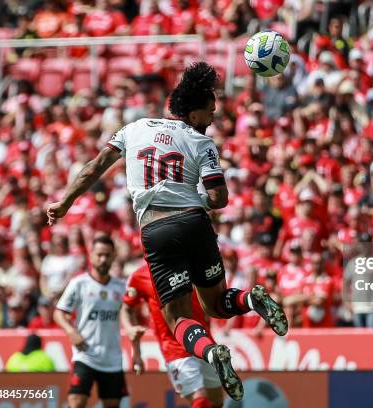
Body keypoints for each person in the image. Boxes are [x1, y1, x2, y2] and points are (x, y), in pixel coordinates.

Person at [47, 62, 287, 401]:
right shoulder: (201, 142)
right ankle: (251, 298)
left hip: (157, 229)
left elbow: (94, 167)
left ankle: (210, 352)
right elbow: (219, 199)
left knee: (178, 319)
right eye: (209, 112)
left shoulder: (133, 128)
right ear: (191, 112)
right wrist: (194, 196)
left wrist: (65, 202)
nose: (213, 118)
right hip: (195, 222)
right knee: (218, 305)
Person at [121, 265, 223, 408]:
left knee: (217, 401)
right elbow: (126, 308)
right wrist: (130, 332)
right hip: (175, 349)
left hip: (204, 343)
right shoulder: (140, 276)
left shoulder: (192, 265)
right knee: (199, 399)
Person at [53, 236, 131, 408]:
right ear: (91, 255)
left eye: (107, 255)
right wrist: (71, 332)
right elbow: (59, 313)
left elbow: (127, 317)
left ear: (113, 256)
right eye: (99, 255)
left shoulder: (120, 287)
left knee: (112, 405)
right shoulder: (79, 284)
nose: (103, 259)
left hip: (112, 358)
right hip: (85, 355)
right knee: (76, 402)